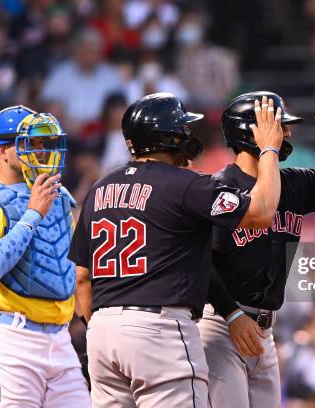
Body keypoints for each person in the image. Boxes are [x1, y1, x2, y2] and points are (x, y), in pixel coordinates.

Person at [69, 92, 284, 407]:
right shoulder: (185, 184)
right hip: (159, 329)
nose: (189, 135)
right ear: (169, 137)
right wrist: (269, 149)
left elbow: (82, 279)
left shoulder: (99, 189)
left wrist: (97, 331)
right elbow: (261, 213)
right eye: (183, 128)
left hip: (102, 331)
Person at [198, 91, 315, 407]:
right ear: (253, 132)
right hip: (222, 324)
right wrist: (232, 313)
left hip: (265, 331)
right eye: (280, 127)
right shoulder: (219, 188)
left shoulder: (294, 183)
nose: (287, 134)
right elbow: (200, 263)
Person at [0, 105, 90, 407]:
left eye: (43, 143)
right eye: (30, 142)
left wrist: (91, 326)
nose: (40, 151)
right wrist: (31, 215)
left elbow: (70, 270)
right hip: (10, 337)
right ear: (3, 150)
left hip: (60, 339)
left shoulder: (58, 198)